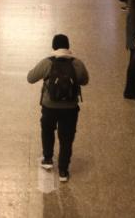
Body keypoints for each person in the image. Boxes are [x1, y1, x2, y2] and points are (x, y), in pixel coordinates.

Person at [27, 34, 89, 182]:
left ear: (53, 47)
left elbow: (30, 78)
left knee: (48, 131)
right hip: (70, 108)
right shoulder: (77, 63)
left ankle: (48, 159)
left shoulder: (47, 63)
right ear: (68, 46)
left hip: (49, 106)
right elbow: (85, 80)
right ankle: (63, 171)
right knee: (66, 138)